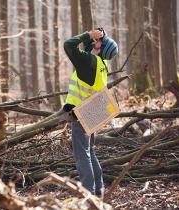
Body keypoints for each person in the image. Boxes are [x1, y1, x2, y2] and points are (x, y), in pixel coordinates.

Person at [63, 28, 118, 196]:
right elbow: (89, 48)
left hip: (81, 113)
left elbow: (68, 45)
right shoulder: (100, 63)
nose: (93, 41)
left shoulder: (88, 62)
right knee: (90, 152)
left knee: (82, 156)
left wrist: (87, 35)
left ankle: (88, 195)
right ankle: (98, 191)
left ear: (99, 46)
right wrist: (95, 35)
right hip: (95, 110)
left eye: (97, 41)